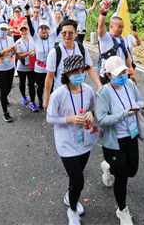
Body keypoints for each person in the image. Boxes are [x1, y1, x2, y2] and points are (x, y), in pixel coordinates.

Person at [95, 56, 144, 225]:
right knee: (122, 178)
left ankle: (109, 170)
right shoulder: (104, 93)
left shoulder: (130, 84)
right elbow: (101, 119)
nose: (123, 76)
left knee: (132, 171)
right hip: (114, 142)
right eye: (118, 74)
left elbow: (141, 101)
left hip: (132, 136)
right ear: (109, 75)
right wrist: (125, 113)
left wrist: (138, 107)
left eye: (124, 72)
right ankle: (122, 210)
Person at [47, 55, 95, 225]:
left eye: (82, 71)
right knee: (78, 181)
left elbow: (92, 108)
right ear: (67, 74)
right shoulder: (58, 94)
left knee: (75, 177)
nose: (80, 74)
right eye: (76, 72)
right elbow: (50, 118)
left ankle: (69, 196)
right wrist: (69, 119)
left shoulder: (89, 90)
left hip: (84, 142)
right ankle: (72, 210)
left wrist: (91, 113)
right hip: (66, 144)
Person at [44, 19, 102, 109]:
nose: (67, 35)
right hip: (61, 96)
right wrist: (47, 99)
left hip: (79, 94)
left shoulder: (82, 49)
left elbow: (90, 69)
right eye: (64, 33)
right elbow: (49, 77)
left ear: (76, 33)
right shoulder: (55, 52)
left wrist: (99, 85)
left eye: (70, 33)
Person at [97, 4, 133, 85]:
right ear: (111, 26)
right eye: (119, 27)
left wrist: (131, 71)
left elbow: (126, 55)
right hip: (108, 77)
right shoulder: (105, 38)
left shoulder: (122, 39)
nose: (121, 29)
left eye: (122, 27)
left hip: (121, 75)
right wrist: (104, 11)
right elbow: (101, 26)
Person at [15, 22, 36, 109]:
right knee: (22, 82)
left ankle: (33, 102)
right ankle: (23, 96)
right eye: (22, 30)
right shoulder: (18, 42)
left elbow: (36, 51)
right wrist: (28, 53)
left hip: (31, 66)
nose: (24, 32)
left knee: (31, 84)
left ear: (28, 31)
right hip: (22, 66)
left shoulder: (33, 40)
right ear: (19, 32)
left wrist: (34, 53)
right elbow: (18, 56)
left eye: (25, 30)